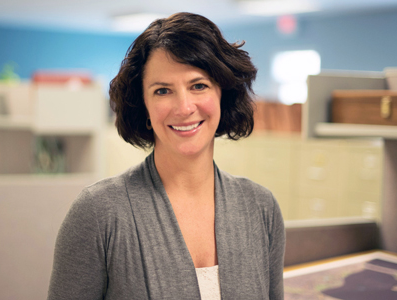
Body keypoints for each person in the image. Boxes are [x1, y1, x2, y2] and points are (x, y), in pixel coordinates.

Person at [48, 12, 285, 300]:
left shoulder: (260, 208)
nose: (184, 107)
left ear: (223, 92)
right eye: (162, 91)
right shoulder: (99, 213)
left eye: (198, 85)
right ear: (143, 105)